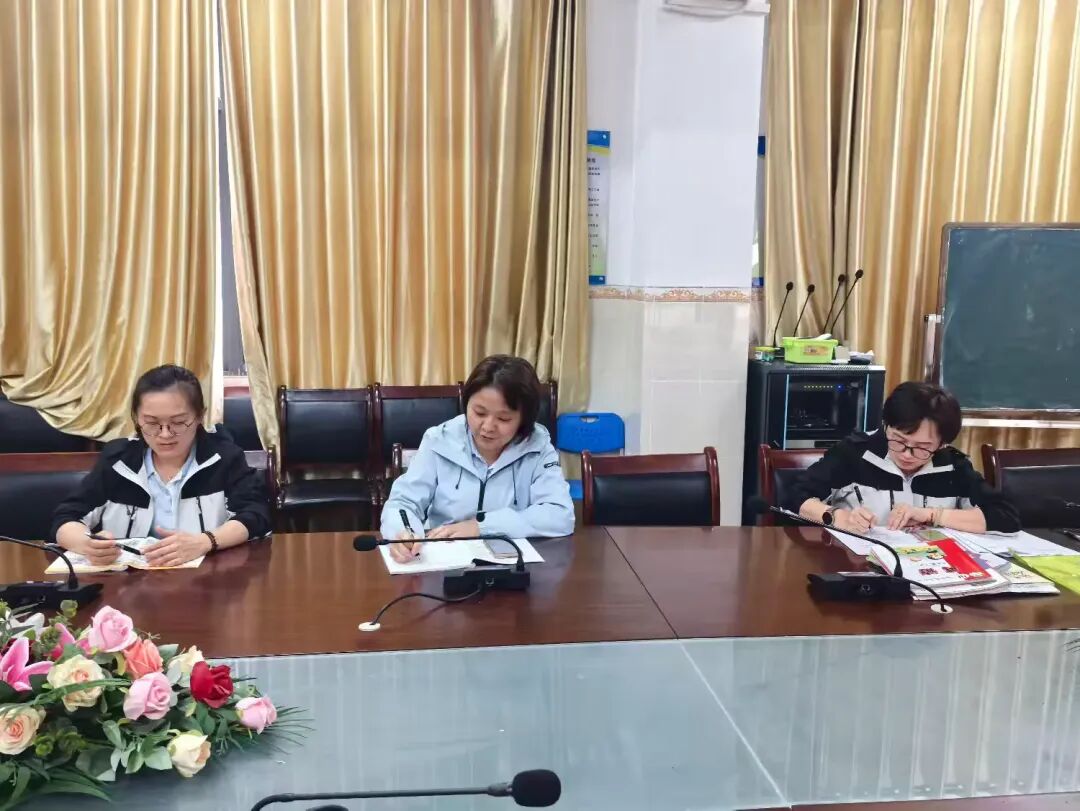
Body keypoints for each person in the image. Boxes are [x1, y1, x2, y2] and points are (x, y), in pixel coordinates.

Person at [52, 365, 272, 567]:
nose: (165, 434)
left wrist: (205, 542)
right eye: (152, 423)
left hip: (205, 581)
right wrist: (87, 545)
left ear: (199, 417)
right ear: (136, 418)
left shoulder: (223, 458)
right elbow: (66, 517)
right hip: (130, 586)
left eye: (178, 422)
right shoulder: (118, 461)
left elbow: (256, 515)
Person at [380, 354, 574, 562]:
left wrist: (481, 527)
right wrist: (403, 533)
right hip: (442, 562)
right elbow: (403, 502)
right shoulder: (439, 440)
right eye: (479, 413)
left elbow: (559, 514)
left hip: (511, 564)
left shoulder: (537, 446)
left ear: (524, 420)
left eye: (503, 418)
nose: (488, 427)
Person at [786, 381, 1020, 534]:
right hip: (857, 567)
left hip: (929, 573)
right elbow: (794, 497)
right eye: (899, 440)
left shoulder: (952, 466)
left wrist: (931, 515)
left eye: (922, 447)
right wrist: (839, 518)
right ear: (886, 425)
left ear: (942, 444)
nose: (907, 454)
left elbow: (1005, 516)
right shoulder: (854, 454)